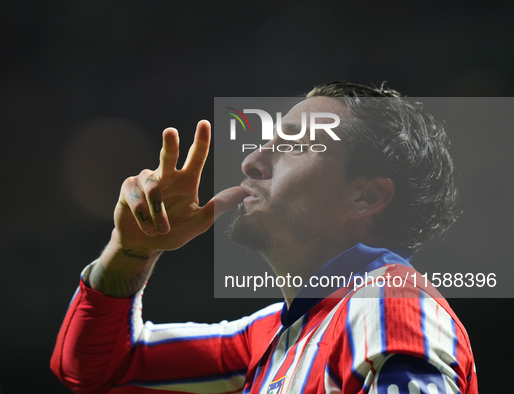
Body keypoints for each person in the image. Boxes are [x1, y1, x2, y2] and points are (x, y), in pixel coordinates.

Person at [51, 82, 478, 394]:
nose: (252, 160)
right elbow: (99, 370)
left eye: (294, 145)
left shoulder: (389, 308)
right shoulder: (270, 335)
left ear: (365, 195)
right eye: (265, 142)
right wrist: (132, 250)